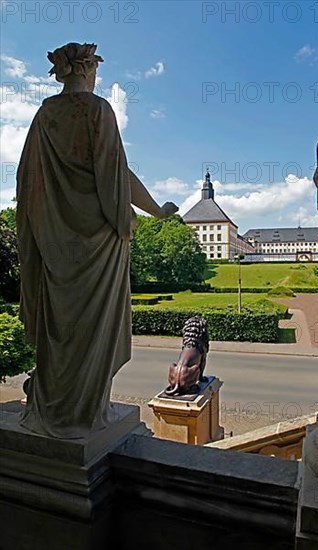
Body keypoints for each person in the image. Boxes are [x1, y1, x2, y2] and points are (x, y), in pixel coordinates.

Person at [16, 42, 178, 438]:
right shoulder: (97, 109)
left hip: (55, 241)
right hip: (99, 241)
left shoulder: (43, 116)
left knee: (61, 324)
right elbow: (115, 175)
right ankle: (86, 411)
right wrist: (154, 211)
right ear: (87, 69)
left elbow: (28, 182)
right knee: (92, 329)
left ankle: (55, 409)